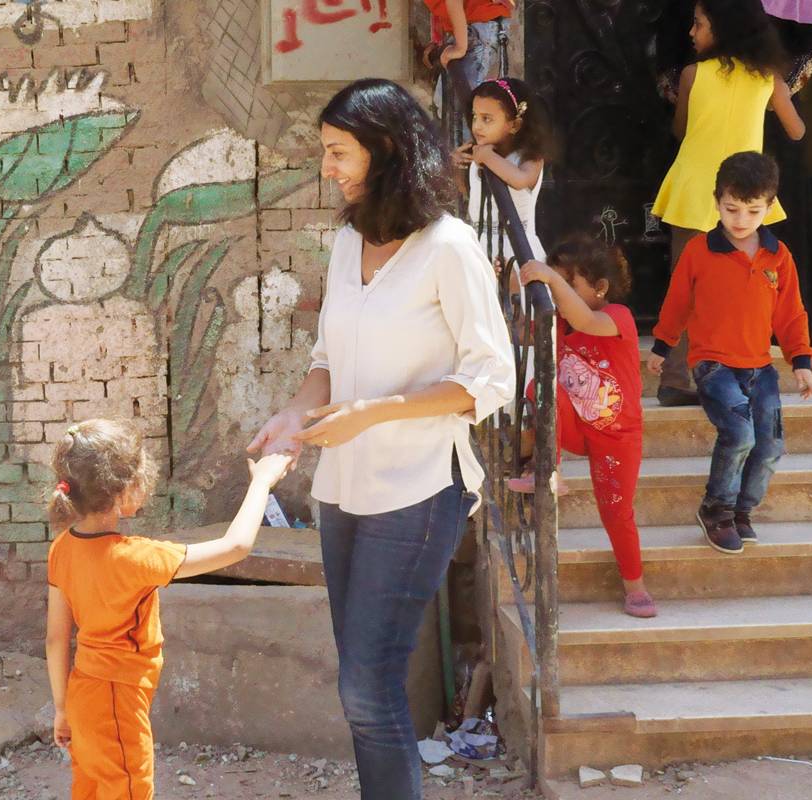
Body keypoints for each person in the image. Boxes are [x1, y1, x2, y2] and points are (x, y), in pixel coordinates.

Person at [249, 78, 515, 800]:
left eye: (339, 152)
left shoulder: (450, 248)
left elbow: (491, 380)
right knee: (360, 688)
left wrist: (376, 413)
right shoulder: (346, 241)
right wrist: (295, 415)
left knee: (368, 688)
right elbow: (327, 363)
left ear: (388, 149)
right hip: (343, 489)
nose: (327, 168)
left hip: (421, 486)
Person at [45, 419, 295, 800]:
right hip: (117, 702)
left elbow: (55, 639)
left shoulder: (62, 547)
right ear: (124, 490)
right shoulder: (136, 558)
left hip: (83, 694)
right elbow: (236, 546)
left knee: (91, 790)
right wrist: (261, 483)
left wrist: (63, 710)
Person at [649, 152, 812, 554]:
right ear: (717, 201)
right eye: (731, 209)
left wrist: (801, 361)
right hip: (713, 365)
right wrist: (662, 345)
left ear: (770, 207)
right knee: (739, 433)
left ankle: (742, 513)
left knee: (771, 444)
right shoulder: (698, 252)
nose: (741, 219)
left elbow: (791, 313)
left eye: (753, 210)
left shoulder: (779, 256)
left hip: (761, 368)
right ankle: (716, 510)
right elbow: (677, 302)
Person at [651, 0, 806, 406]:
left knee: (685, 288)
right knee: (741, 292)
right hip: (745, 197)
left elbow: (680, 129)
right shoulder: (768, 77)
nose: (691, 32)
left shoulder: (691, 74)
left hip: (692, 190)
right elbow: (796, 131)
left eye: (698, 24)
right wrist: (781, 93)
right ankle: (734, 373)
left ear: (720, 29)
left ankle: (675, 378)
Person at [514, 234, 654, 617]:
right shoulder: (557, 323)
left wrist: (551, 279)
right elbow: (519, 333)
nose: (560, 297)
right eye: (557, 286)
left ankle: (635, 586)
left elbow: (586, 319)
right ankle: (549, 468)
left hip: (618, 437)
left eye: (569, 284)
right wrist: (510, 285)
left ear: (600, 288)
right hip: (576, 427)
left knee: (616, 510)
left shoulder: (616, 317)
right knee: (538, 385)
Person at [455, 76, 554, 262]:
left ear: (514, 125)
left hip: (515, 248)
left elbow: (520, 179)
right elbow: (467, 192)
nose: (476, 126)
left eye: (487, 119)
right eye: (475, 116)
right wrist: (454, 165)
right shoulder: (476, 151)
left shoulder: (529, 156)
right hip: (478, 244)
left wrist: (488, 157)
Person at [422, 0, 515, 101]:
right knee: (444, 101)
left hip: (480, 26)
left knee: (466, 103)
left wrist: (460, 48)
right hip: (468, 28)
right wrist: (438, 40)